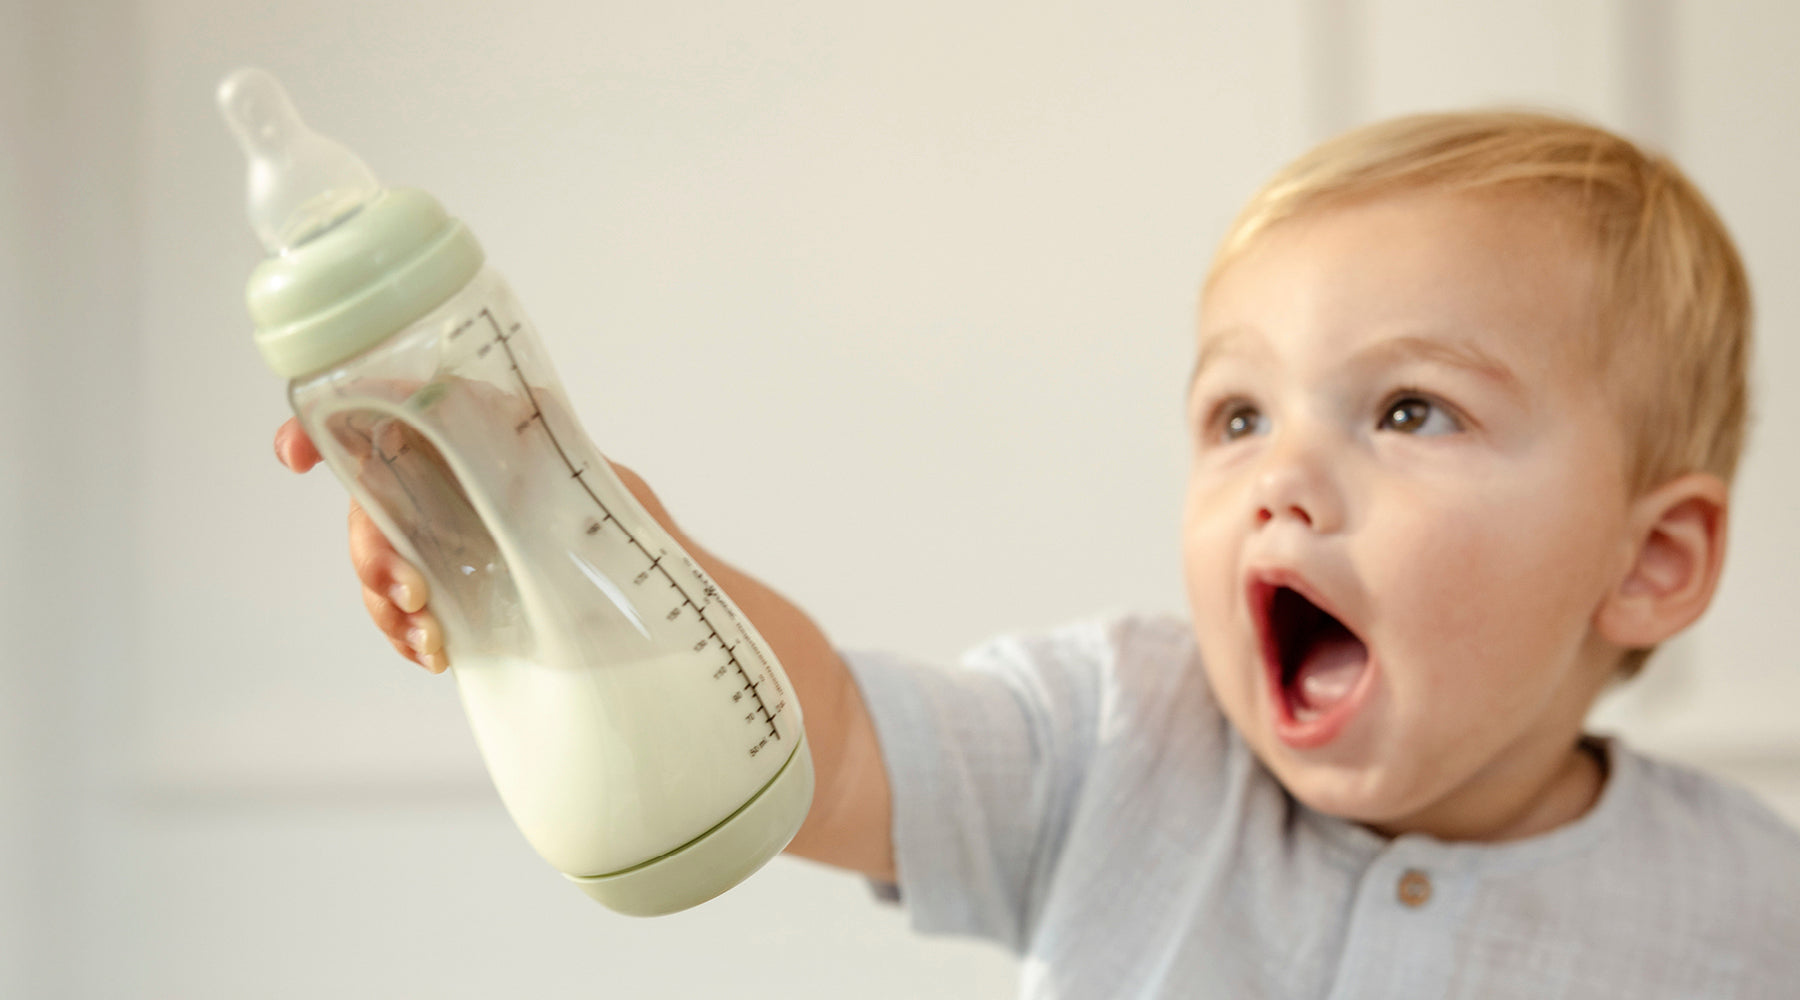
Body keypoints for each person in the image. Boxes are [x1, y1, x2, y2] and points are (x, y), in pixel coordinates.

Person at [274, 110, 1800, 997]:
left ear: (1651, 563)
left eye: (1410, 409)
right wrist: (576, 521)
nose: (1284, 477)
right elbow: (840, 741)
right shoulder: (1114, 743)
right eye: (1237, 414)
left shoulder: (1746, 913)